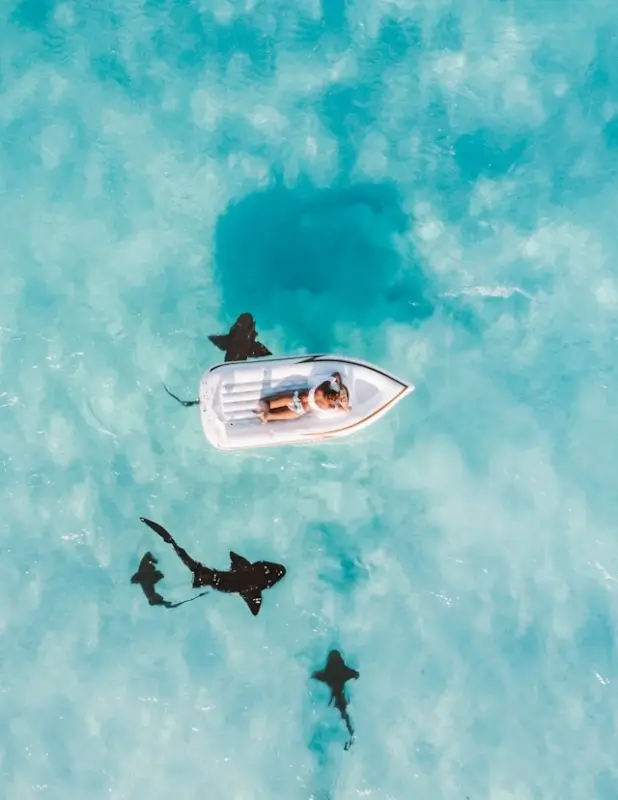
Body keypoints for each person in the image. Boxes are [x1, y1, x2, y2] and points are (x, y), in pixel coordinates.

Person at [254, 371, 351, 423]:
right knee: (271, 416)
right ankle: (265, 416)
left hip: (296, 398)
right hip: (300, 410)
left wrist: (341, 387)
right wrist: (344, 404)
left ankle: (263, 410)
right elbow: (346, 410)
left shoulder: (323, 388)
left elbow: (336, 375)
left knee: (266, 402)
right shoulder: (329, 406)